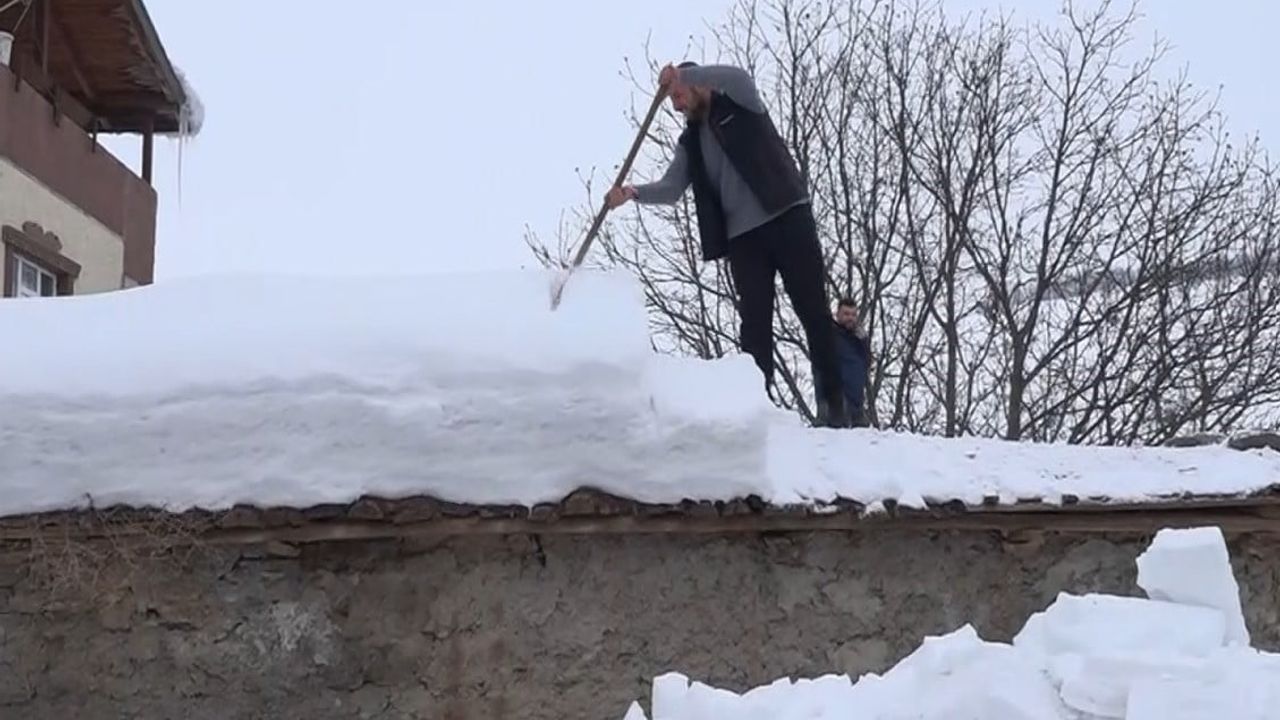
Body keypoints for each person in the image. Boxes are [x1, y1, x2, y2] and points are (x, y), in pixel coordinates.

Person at [605, 61, 849, 428]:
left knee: (812, 311)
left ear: (699, 84)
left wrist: (682, 76)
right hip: (743, 239)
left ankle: (833, 406)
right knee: (753, 326)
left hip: (786, 214)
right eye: (672, 99)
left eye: (679, 96)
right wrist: (632, 193)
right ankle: (759, 409)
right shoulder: (690, 142)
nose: (676, 105)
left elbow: (737, 76)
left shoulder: (741, 101)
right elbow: (672, 188)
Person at [820, 298, 872, 428]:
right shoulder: (829, 335)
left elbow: (867, 363)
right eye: (846, 314)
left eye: (853, 315)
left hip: (857, 403)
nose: (850, 318)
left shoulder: (859, 339)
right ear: (838, 315)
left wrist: (864, 342)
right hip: (836, 401)